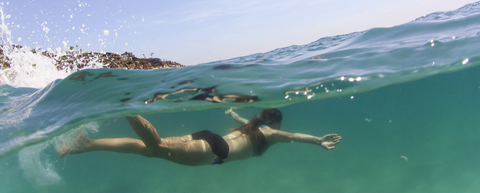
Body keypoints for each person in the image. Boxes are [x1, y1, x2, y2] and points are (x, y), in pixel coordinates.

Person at [61, 108, 341, 166]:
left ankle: (86, 144)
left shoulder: (253, 126)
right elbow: (292, 135)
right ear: (274, 123)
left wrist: (233, 115)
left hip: (208, 137)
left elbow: (244, 120)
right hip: (214, 152)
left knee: (147, 149)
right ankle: (125, 107)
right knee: (156, 146)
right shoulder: (271, 134)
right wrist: (318, 140)